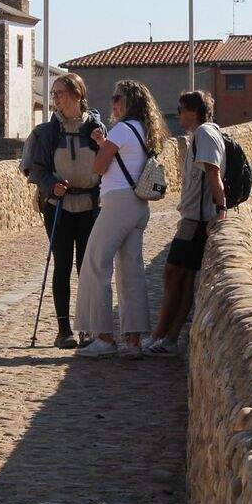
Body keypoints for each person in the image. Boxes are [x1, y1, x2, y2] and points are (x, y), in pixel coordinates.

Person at [74, 79, 167, 358]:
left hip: (118, 202)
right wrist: (105, 143)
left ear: (128, 103)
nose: (112, 103)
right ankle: (134, 341)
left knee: (95, 263)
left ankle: (103, 336)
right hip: (138, 205)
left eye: (117, 98)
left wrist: (103, 145)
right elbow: (125, 160)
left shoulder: (122, 129)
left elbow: (100, 166)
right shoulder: (144, 131)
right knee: (131, 271)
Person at [22, 73, 106, 349]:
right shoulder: (46, 132)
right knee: (62, 265)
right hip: (58, 206)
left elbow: (107, 164)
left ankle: (86, 327)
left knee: (86, 267)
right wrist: (51, 185)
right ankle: (63, 329)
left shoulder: (95, 128)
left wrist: (101, 143)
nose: (56, 98)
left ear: (77, 94)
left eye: (61, 93)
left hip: (89, 206)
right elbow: (37, 169)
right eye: (54, 93)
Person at [147, 90, 226, 356]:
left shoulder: (204, 133)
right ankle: (168, 338)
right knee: (183, 277)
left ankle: (161, 337)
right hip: (196, 217)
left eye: (180, 109)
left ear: (193, 111)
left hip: (196, 219)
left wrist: (221, 209)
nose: (178, 114)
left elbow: (213, 172)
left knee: (173, 273)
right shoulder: (205, 134)